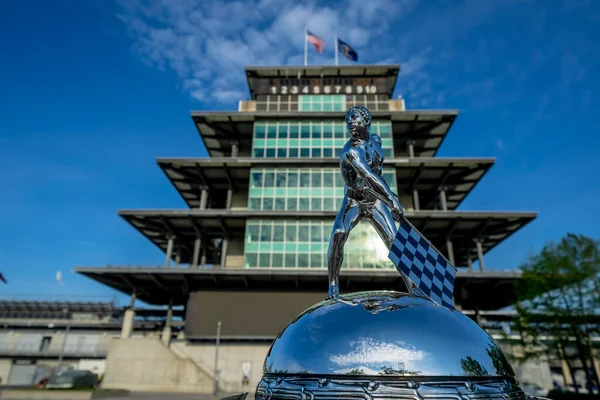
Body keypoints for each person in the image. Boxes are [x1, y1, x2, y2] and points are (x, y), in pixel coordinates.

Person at [326, 106, 404, 300]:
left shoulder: (377, 140)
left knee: (394, 241)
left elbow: (377, 172)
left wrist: (386, 196)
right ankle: (333, 286)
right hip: (353, 199)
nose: (350, 122)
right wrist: (392, 200)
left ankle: (414, 285)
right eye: (347, 120)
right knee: (338, 234)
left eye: (354, 118)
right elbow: (368, 176)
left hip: (374, 199)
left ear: (366, 121)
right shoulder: (351, 151)